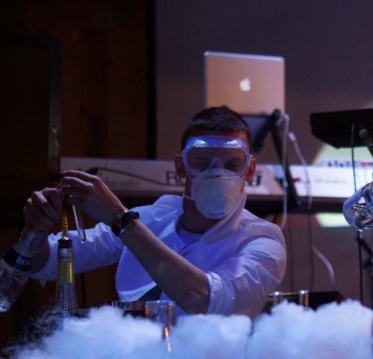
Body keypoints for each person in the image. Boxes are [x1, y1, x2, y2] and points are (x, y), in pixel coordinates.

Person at [23, 106, 287, 320]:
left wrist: (120, 219)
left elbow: (203, 298)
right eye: (201, 162)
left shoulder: (263, 241)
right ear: (181, 167)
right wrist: (36, 228)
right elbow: (46, 261)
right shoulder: (152, 219)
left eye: (233, 164)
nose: (217, 174)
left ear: (250, 170)